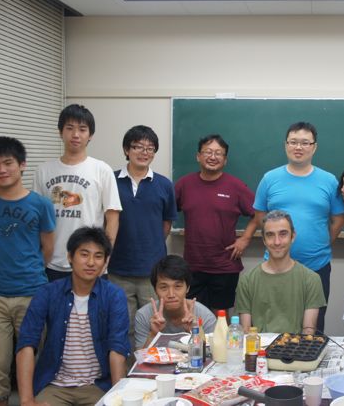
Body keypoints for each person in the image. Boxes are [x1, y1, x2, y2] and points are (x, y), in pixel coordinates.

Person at [0, 137, 55, 406]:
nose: (1, 170)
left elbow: (47, 250)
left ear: (22, 165)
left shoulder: (41, 204)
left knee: (37, 361)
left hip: (32, 295)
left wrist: (27, 272)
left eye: (8, 163)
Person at [16, 227, 130, 406]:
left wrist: (118, 398)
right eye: (84, 254)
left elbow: (117, 348)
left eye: (98, 256)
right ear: (70, 256)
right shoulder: (48, 293)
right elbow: (27, 344)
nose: (91, 262)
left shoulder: (114, 295)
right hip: (55, 386)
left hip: (97, 386)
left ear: (105, 261)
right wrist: (26, 400)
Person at [253, 122, 344, 331]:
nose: (298, 147)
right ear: (285, 145)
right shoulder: (269, 179)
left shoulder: (329, 180)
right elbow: (260, 216)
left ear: (314, 147)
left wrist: (322, 242)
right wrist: (275, 243)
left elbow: (339, 218)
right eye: (293, 142)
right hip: (275, 266)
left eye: (305, 142)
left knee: (314, 328)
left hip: (317, 266)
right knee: (273, 325)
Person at [33, 104, 122, 281]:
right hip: (52, 263)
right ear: (60, 132)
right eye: (69, 128)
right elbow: (37, 217)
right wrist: (41, 257)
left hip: (91, 264)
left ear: (90, 135)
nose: (75, 134)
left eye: (82, 129)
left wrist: (105, 257)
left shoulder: (102, 169)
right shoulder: (43, 170)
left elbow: (112, 217)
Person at [109, 126, 177, 348]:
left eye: (150, 148)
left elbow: (166, 223)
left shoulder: (164, 184)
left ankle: (153, 366)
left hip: (153, 272)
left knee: (154, 324)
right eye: (138, 146)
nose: (144, 152)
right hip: (118, 270)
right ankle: (128, 367)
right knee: (123, 326)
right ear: (126, 150)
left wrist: (150, 244)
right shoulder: (110, 180)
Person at [175, 134, 255, 314]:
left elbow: (259, 212)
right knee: (192, 317)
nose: (213, 157)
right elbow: (166, 211)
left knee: (221, 318)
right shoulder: (184, 184)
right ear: (198, 156)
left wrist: (245, 239)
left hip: (225, 265)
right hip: (193, 265)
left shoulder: (236, 186)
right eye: (208, 152)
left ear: (225, 160)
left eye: (218, 153)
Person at [235, 210, 326, 334]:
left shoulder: (311, 279)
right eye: (270, 235)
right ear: (264, 240)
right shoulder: (247, 281)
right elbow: (246, 332)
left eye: (283, 234)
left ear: (293, 236)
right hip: (258, 345)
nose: (277, 242)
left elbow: (308, 331)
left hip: (295, 345)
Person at [135, 255, 217, 349]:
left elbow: (213, 355)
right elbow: (139, 356)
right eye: (164, 287)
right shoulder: (144, 315)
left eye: (177, 286)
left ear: (188, 288)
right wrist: (153, 334)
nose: (171, 294)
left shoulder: (205, 316)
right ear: (155, 290)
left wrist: (195, 333)